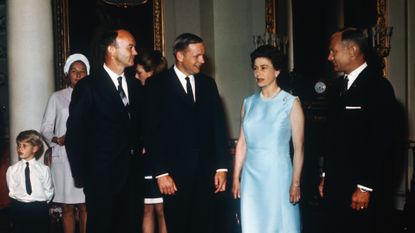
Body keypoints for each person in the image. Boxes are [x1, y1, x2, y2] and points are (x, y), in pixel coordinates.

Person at [143, 33, 230, 233]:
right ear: (180, 56)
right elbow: (151, 133)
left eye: (203, 56)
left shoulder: (208, 85)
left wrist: (222, 168)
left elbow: (218, 127)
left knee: (207, 226)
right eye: (197, 56)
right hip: (174, 176)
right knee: (179, 225)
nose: (202, 60)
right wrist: (161, 172)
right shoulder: (157, 85)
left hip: (207, 174)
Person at [318, 28, 396, 233]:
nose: (329, 56)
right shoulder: (336, 88)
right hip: (335, 186)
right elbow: (332, 137)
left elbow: (381, 141)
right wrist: (326, 174)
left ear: (352, 50)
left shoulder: (378, 87)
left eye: (333, 51)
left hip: (360, 190)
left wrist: (365, 186)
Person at [65, 29, 143, 233]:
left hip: (132, 178)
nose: (135, 52)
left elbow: (138, 127)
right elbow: (75, 134)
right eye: (130, 47)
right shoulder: (88, 87)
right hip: (101, 178)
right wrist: (82, 174)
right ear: (111, 50)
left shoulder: (136, 86)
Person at [232, 45, 304, 233]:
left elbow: (299, 148)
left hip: (278, 174)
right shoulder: (248, 103)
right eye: (255, 68)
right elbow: (242, 144)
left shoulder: (290, 102)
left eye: (264, 67)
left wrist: (295, 182)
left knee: (279, 224)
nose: (258, 73)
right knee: (253, 224)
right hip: (251, 175)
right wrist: (235, 177)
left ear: (277, 70)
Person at [40, 53, 90, 233]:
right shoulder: (57, 97)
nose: (78, 75)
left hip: (86, 157)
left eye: (82, 71)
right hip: (64, 158)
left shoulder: (93, 95)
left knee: (85, 206)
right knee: (67, 207)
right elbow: (45, 127)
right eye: (74, 71)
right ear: (67, 74)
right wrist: (56, 139)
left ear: (87, 74)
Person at [134, 49, 168, 233]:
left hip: (161, 158)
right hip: (145, 161)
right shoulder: (140, 93)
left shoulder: (163, 94)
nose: (136, 76)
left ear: (151, 72)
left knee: (163, 209)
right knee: (147, 208)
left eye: (139, 72)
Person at [6, 130, 54, 233]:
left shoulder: (44, 169)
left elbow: (48, 190)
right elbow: (12, 190)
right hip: (19, 208)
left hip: (38, 208)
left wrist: (41, 204)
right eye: (18, 145)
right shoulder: (12, 170)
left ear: (35, 148)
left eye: (24, 146)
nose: (20, 148)